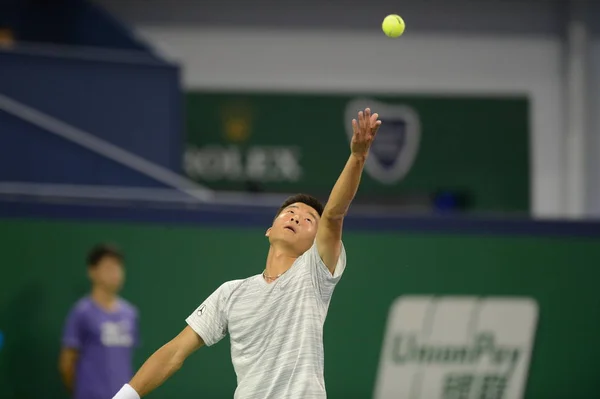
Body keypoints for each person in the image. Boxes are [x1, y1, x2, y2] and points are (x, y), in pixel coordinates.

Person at [112, 107, 382, 399]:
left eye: (308, 220)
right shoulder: (231, 293)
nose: (296, 218)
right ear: (269, 230)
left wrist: (358, 157)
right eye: (290, 212)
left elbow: (333, 215)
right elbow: (175, 352)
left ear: (316, 243)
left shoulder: (314, 273)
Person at [59, 244, 140, 399]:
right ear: (92, 272)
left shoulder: (130, 314)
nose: (115, 273)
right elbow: (66, 363)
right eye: (109, 268)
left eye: (118, 267)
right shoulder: (81, 312)